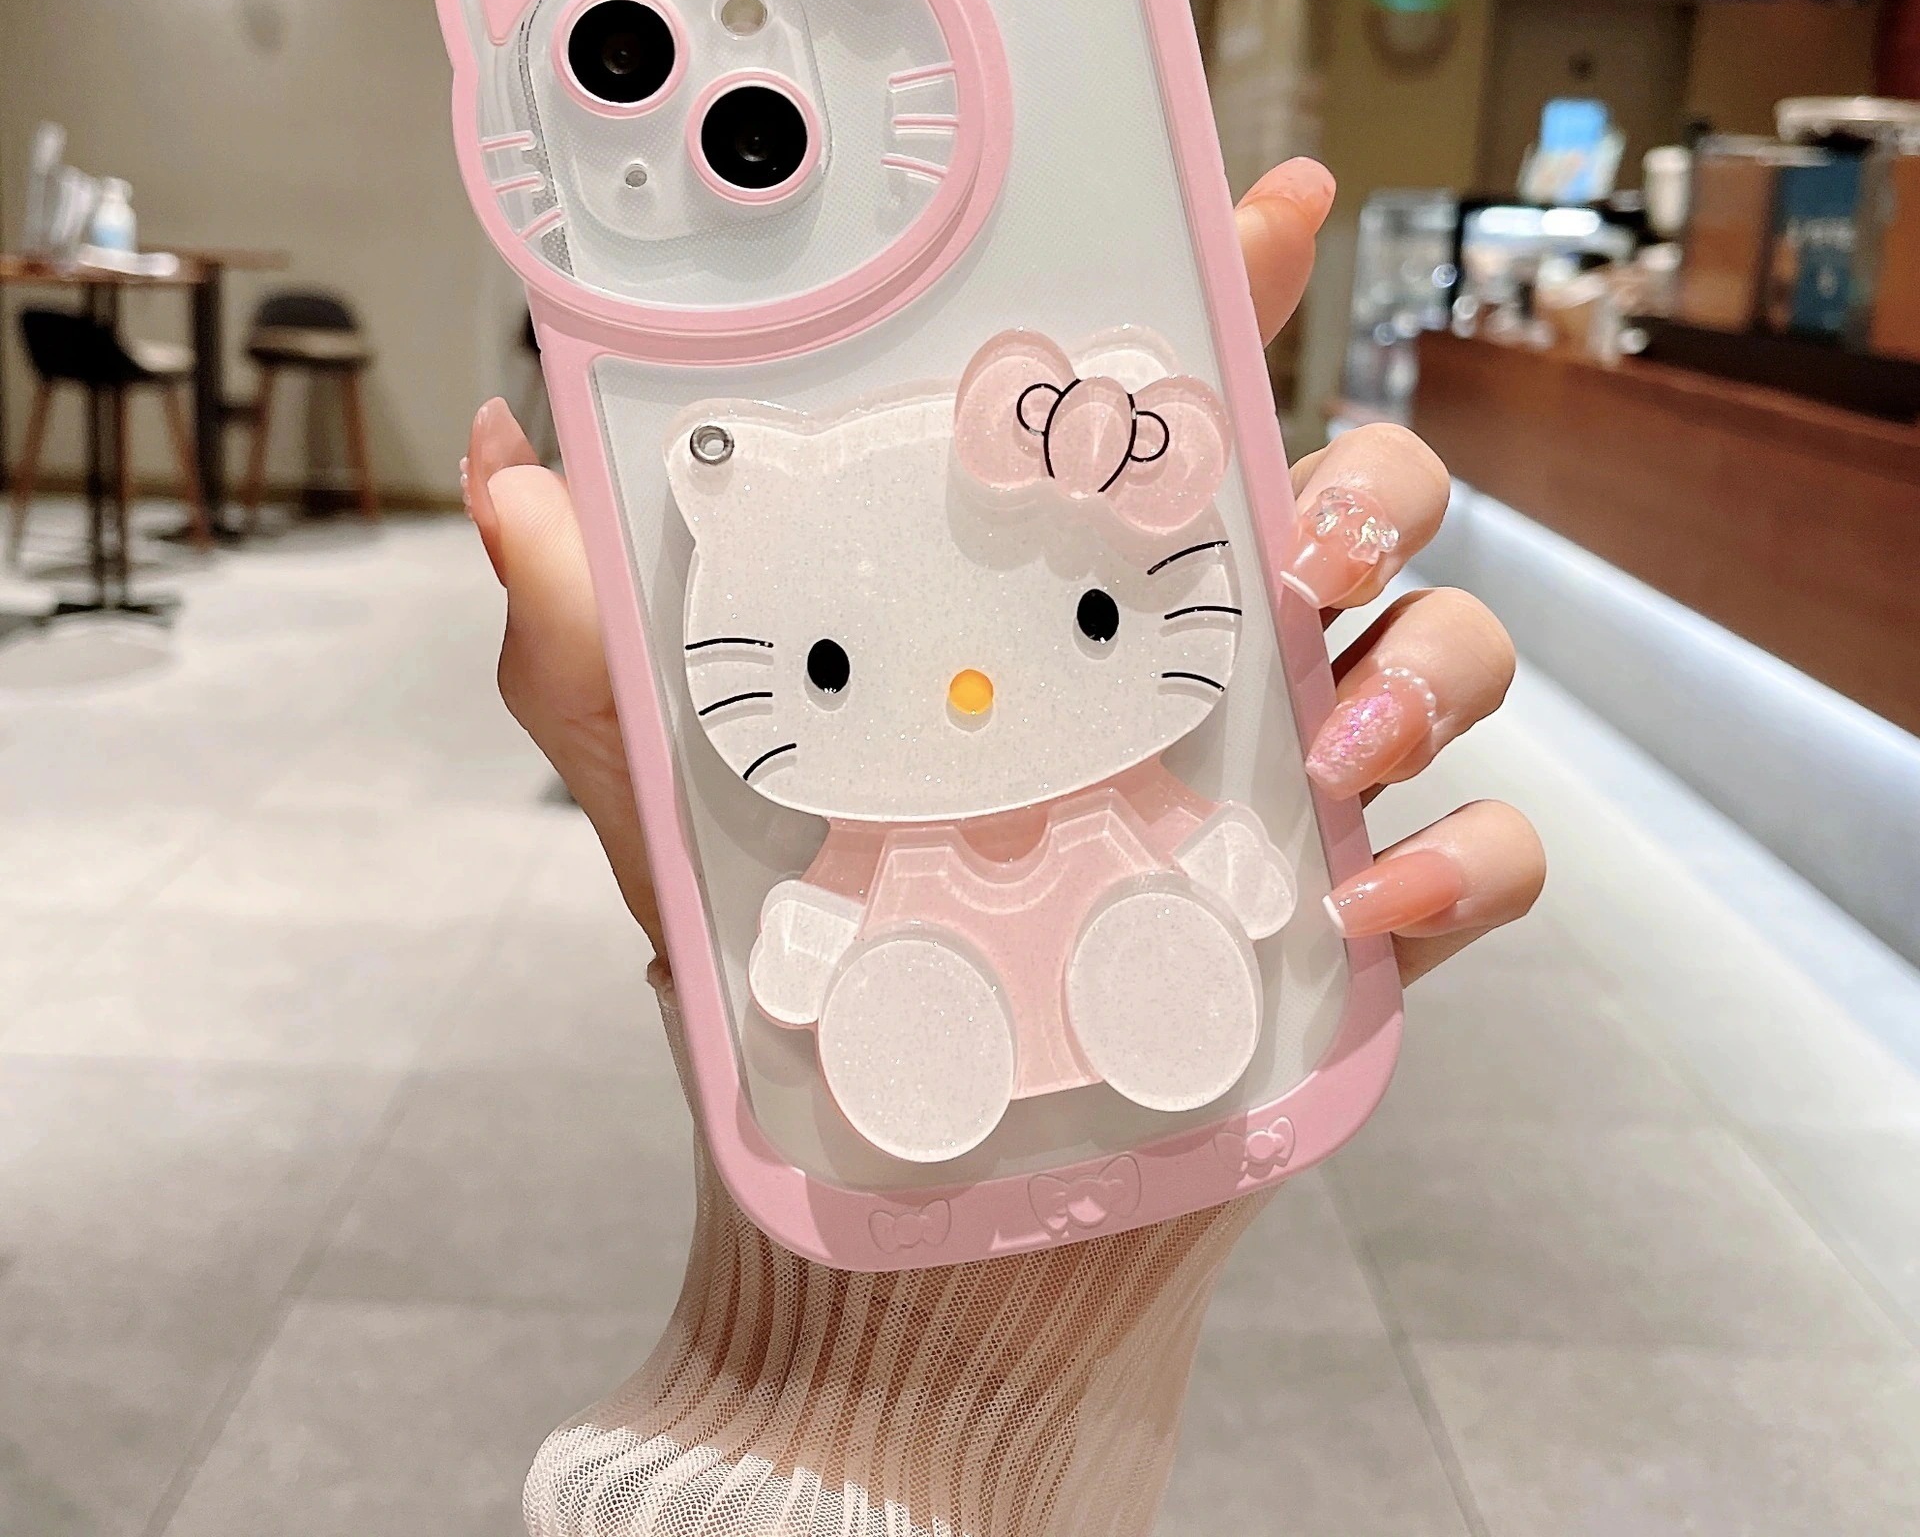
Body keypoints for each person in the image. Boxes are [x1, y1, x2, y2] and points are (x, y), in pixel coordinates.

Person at [461, 159, 1546, 1537]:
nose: (970, 697)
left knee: (1132, 929)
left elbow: (1187, 831)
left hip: (1113, 931)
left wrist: (922, 1381)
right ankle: (960, 1023)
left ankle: (1131, 986)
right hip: (923, 982)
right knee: (921, 985)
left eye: (1096, 614)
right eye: (830, 665)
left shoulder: (1118, 776)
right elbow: (826, 908)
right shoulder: (864, 819)